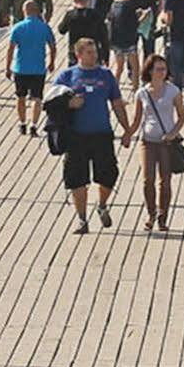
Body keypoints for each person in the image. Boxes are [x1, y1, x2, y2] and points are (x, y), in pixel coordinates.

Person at [53, 39, 134, 235]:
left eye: (95, 51)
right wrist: (69, 103)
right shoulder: (67, 76)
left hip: (102, 133)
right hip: (76, 136)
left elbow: (116, 103)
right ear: (79, 54)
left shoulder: (105, 75)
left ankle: (103, 204)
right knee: (77, 179)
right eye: (89, 52)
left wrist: (127, 129)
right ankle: (82, 219)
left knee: (108, 174)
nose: (94, 55)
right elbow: (52, 102)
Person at [124, 53, 184, 232]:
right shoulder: (142, 93)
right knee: (147, 180)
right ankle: (151, 213)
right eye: (158, 69)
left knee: (165, 181)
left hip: (166, 142)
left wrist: (173, 133)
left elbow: (182, 117)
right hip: (147, 141)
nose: (161, 72)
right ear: (150, 71)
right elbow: (137, 120)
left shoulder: (173, 91)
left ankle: (163, 216)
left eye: (164, 69)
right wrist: (128, 134)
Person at [8, 0, 57, 136]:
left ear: (24, 11)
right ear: (37, 11)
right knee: (37, 98)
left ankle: (22, 123)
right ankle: (34, 125)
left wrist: (8, 67)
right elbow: (53, 46)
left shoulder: (18, 27)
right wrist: (52, 62)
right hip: (38, 69)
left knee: (20, 97)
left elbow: (10, 49)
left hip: (20, 68)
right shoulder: (44, 27)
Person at [107, 0, 144, 87]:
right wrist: (143, 16)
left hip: (116, 39)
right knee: (135, 67)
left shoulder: (115, 4)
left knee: (119, 67)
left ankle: (114, 91)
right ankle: (136, 91)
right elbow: (135, 24)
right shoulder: (129, 5)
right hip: (128, 40)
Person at [59, 0, 109, 66]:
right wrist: (106, 56)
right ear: (87, 0)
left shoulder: (70, 15)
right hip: (92, 52)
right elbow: (104, 36)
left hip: (75, 52)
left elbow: (61, 30)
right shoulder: (95, 14)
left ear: (75, 0)